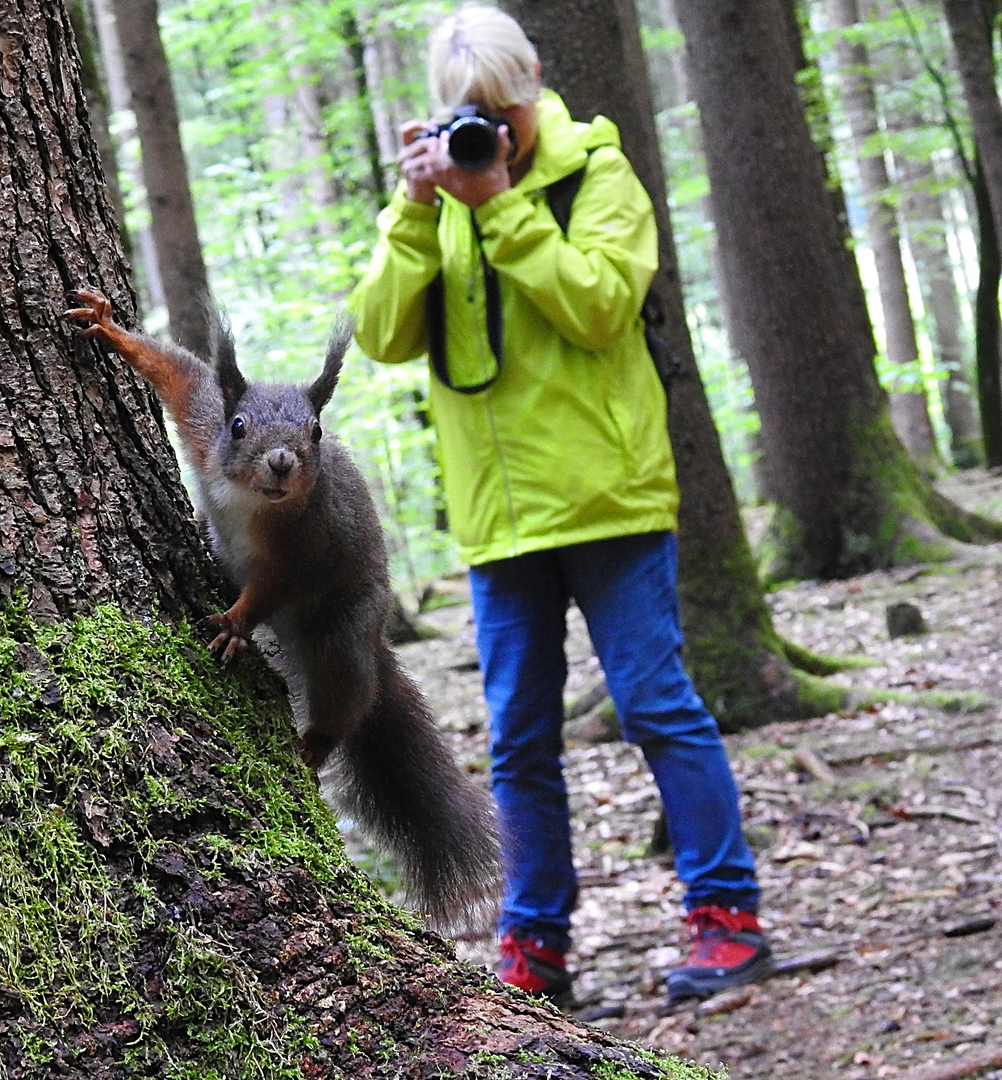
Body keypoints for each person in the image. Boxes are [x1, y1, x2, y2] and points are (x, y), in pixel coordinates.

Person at [348, 3, 771, 1003]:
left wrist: (502, 205)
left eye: (505, 107)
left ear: (534, 80)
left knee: (658, 709)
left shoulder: (599, 174)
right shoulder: (436, 195)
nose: (493, 129)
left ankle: (727, 915)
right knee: (519, 736)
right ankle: (536, 942)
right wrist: (417, 214)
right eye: (470, 112)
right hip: (499, 516)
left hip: (610, 501)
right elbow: (378, 334)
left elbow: (599, 306)